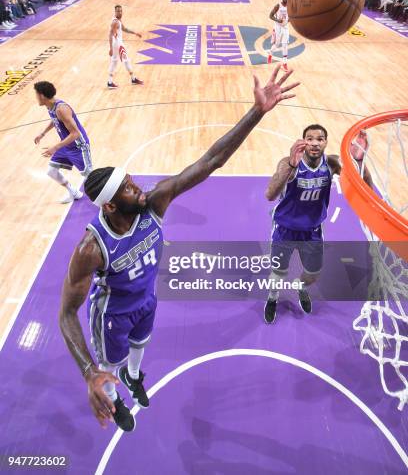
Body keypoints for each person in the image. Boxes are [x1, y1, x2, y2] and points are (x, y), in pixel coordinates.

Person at [59, 66, 299, 432]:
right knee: (110, 368)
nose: (137, 187)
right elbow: (66, 314)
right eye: (127, 188)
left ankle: (135, 376)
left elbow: (210, 161)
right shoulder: (91, 248)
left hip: (146, 300)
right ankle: (118, 397)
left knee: (141, 345)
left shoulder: (153, 203)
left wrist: (257, 112)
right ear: (109, 206)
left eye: (131, 180)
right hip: (111, 315)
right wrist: (89, 371)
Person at [264, 124, 373, 324]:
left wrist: (358, 161)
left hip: (312, 232)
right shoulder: (288, 163)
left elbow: (363, 183)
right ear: (303, 141)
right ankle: (272, 298)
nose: (315, 143)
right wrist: (290, 165)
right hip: (284, 230)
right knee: (278, 273)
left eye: (320, 139)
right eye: (310, 138)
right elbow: (270, 194)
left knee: (313, 274)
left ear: (325, 143)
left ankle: (301, 288)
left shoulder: (331, 164)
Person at [34, 81, 92, 203]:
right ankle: (73, 192)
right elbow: (55, 120)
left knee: (90, 177)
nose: (36, 98)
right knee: (51, 171)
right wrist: (42, 133)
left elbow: (76, 133)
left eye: (36, 94)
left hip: (78, 146)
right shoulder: (50, 106)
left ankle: (109, 200)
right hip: (66, 145)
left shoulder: (62, 109)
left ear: (42, 96)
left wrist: (55, 147)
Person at [108, 4, 143, 89]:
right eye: (118, 11)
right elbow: (111, 34)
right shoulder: (115, 22)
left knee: (114, 62)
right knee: (126, 60)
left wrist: (135, 33)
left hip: (116, 44)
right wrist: (111, 48)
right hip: (118, 44)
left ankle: (110, 82)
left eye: (120, 11)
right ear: (115, 12)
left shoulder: (118, 21)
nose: (120, 12)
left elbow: (124, 29)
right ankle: (133, 79)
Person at [267, 0, 289, 71]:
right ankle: (270, 53)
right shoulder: (278, 5)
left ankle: (284, 63)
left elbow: (291, 16)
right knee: (276, 45)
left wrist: (288, 21)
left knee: (285, 44)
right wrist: (278, 20)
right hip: (277, 27)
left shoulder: (290, 6)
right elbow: (270, 16)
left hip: (285, 27)